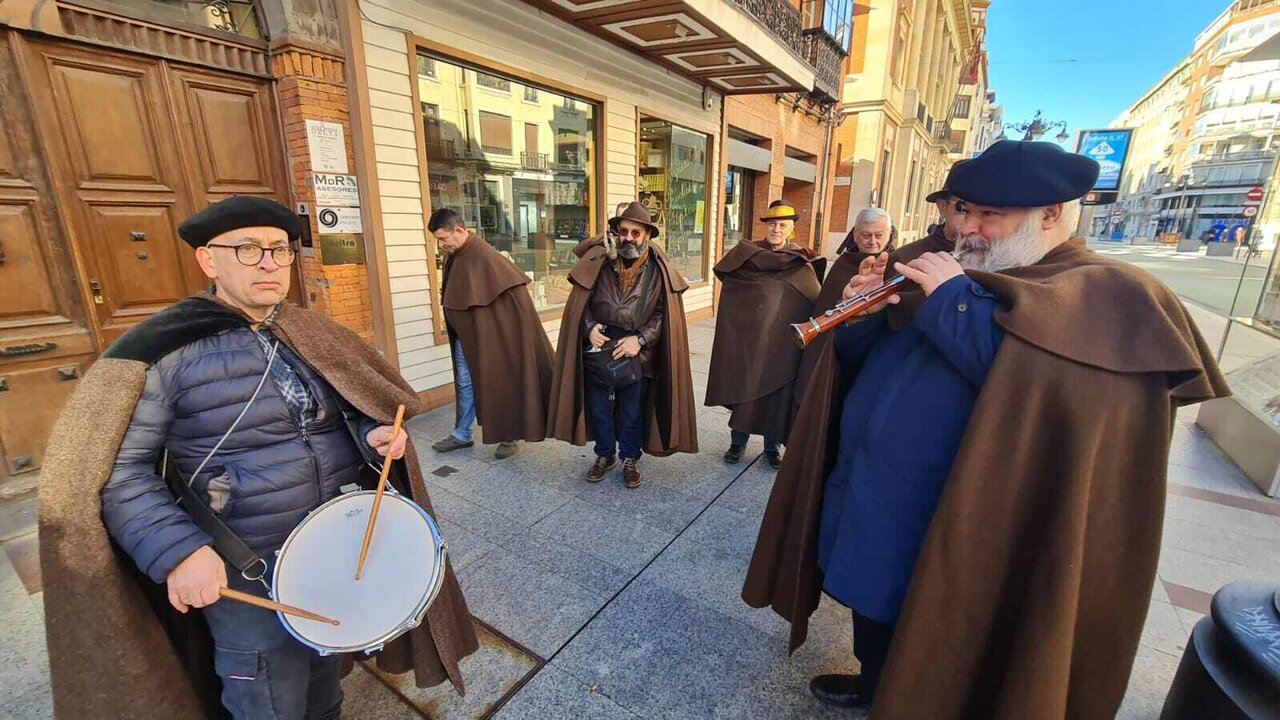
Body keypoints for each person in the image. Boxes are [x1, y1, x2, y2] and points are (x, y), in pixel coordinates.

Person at [742, 140, 1228, 717]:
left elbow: (1029, 385)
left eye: (989, 214)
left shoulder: (1103, 293)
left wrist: (952, 299)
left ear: (1052, 214)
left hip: (966, 513)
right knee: (875, 603)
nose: (966, 228)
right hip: (880, 494)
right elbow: (877, 357)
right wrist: (862, 316)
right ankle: (877, 685)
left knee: (940, 623)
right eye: (963, 209)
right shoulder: (966, 269)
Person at [39, 196, 478, 719]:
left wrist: (374, 436)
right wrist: (179, 551)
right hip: (244, 564)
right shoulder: (163, 351)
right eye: (248, 249)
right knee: (268, 699)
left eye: (280, 250)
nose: (270, 263)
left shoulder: (307, 332)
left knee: (324, 686)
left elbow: (346, 415)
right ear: (208, 260)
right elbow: (121, 475)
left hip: (330, 552)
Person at [547, 201, 698, 488]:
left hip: (635, 352)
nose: (628, 238)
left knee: (631, 412)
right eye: (623, 231)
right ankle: (605, 455)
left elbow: (662, 314)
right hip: (600, 347)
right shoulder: (599, 263)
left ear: (647, 236)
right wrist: (589, 328)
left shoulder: (658, 270)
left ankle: (630, 457)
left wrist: (640, 340)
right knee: (600, 408)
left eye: (635, 233)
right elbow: (582, 304)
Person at [706, 200, 824, 469]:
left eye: (783, 225)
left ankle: (772, 448)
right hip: (750, 341)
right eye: (772, 224)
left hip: (782, 344)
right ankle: (738, 443)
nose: (776, 229)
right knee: (745, 391)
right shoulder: (748, 256)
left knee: (777, 398)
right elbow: (733, 287)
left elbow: (814, 298)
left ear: (792, 228)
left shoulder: (800, 262)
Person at [427, 208, 554, 458]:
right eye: (438, 240)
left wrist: (509, 337)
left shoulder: (485, 256)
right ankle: (462, 434)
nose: (441, 244)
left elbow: (515, 304)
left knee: (499, 383)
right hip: (467, 337)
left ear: (460, 231)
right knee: (465, 384)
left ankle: (508, 435)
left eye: (443, 238)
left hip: (492, 340)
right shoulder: (457, 254)